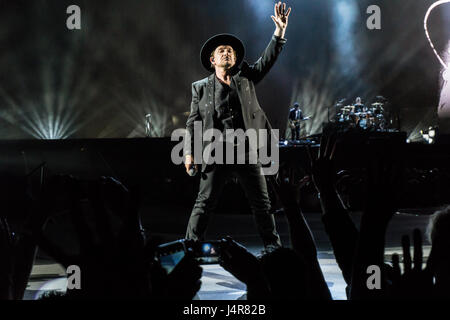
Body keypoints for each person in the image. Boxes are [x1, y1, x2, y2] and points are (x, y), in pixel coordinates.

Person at [183, 2, 291, 254]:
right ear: (212, 60)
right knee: (204, 203)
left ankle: (273, 250)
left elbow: (267, 60)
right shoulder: (200, 87)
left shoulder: (246, 77)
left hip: (246, 151)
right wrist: (189, 152)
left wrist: (279, 33)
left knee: (262, 204)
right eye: (221, 51)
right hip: (215, 152)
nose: (227, 53)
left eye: (230, 51)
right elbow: (193, 122)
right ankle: (189, 248)